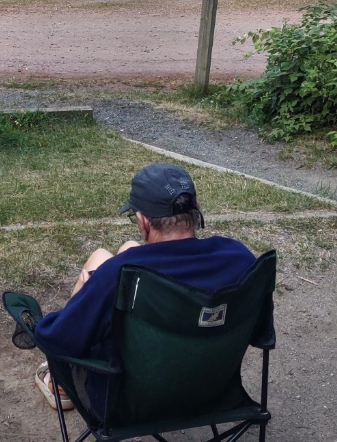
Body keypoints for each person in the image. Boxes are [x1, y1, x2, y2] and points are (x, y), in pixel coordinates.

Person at [32, 163, 256, 409]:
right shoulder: (240, 258)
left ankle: (60, 385)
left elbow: (58, 341)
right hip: (211, 391)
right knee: (129, 247)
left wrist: (87, 295)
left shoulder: (119, 273)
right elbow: (260, 333)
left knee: (100, 258)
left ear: (143, 221)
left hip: (129, 403)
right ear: (197, 209)